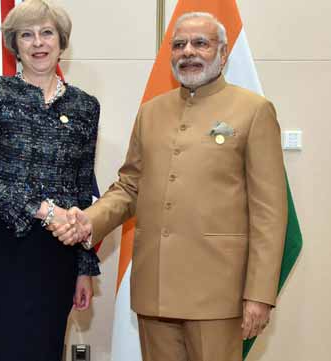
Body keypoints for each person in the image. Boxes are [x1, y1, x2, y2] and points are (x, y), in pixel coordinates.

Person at [52, 12, 287, 361]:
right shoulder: (151, 112)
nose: (188, 51)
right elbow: (129, 186)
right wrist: (90, 220)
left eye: (200, 43)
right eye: (179, 45)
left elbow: (270, 212)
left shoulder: (254, 111)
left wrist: (259, 294)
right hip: (155, 289)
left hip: (218, 293)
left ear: (222, 54)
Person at [0, 1, 100, 360]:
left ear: (61, 41)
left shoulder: (85, 106)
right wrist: (44, 211)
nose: (38, 42)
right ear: (15, 46)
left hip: (57, 254)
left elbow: (83, 189)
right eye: (27, 34)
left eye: (47, 32)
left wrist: (84, 268)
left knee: (45, 349)